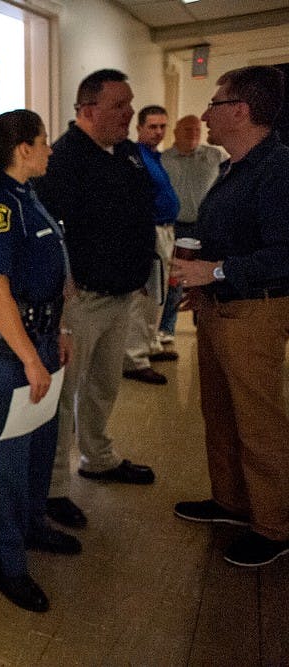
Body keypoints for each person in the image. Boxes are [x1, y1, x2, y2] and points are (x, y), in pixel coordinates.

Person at [171, 66, 289, 568]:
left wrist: (214, 270)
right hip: (220, 309)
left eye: (215, 102)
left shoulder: (278, 168)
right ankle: (233, 503)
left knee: (258, 423)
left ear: (241, 110)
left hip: (254, 313)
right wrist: (200, 285)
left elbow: (285, 253)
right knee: (218, 413)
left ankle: (274, 525)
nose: (205, 113)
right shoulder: (235, 167)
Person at [0, 110, 79, 613]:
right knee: (8, 459)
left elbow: (54, 269)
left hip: (43, 335)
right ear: (23, 150)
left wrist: (60, 332)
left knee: (39, 442)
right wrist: (32, 359)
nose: (51, 149)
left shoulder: (29, 197)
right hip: (8, 348)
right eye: (44, 141)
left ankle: (32, 526)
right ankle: (4, 562)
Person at [35, 69, 157, 532]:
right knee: (65, 396)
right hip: (82, 300)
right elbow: (54, 242)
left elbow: (134, 214)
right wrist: (64, 307)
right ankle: (53, 489)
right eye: (119, 106)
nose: (129, 114)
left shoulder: (126, 153)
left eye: (129, 104)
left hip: (122, 294)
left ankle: (99, 458)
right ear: (88, 111)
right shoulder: (63, 161)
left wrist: (138, 272)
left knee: (104, 384)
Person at [122, 105, 180, 385]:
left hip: (166, 230)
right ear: (139, 128)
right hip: (150, 232)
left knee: (159, 296)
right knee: (145, 298)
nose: (158, 132)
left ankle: (150, 345)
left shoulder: (155, 157)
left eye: (162, 127)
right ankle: (134, 359)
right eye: (152, 127)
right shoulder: (135, 158)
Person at [158, 115, 224, 343]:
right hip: (175, 228)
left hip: (206, 228)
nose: (193, 134)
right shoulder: (164, 160)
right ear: (175, 132)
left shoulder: (215, 156)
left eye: (197, 130)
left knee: (205, 277)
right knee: (175, 280)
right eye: (187, 130)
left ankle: (204, 325)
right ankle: (167, 329)